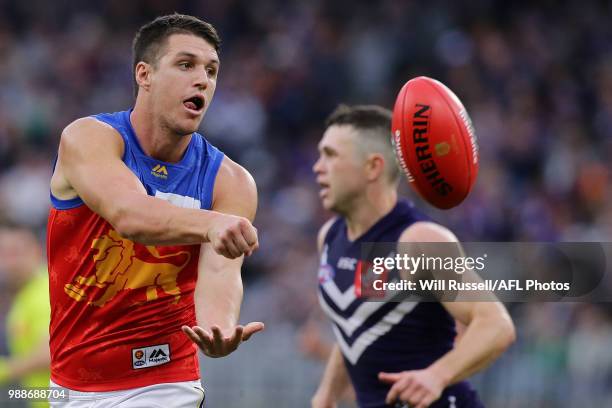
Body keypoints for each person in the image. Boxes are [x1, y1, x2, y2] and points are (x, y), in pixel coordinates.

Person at [47, 13, 263, 407]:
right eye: (186, 65)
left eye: (212, 71)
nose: (203, 80)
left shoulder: (230, 181)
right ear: (144, 75)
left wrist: (217, 328)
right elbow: (130, 215)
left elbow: (220, 271)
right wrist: (213, 223)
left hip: (165, 380)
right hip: (71, 384)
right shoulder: (89, 138)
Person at [311, 105, 516, 408]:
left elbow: (496, 325)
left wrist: (437, 376)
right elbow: (357, 326)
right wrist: (326, 397)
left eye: (330, 155)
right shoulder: (330, 237)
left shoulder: (418, 241)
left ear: (373, 167)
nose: (317, 167)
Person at [0, 226, 51, 408]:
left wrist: (5, 370)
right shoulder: (25, 293)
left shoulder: (44, 293)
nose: (9, 262)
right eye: (3, 254)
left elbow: (50, 353)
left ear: (36, 251)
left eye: (15, 252)